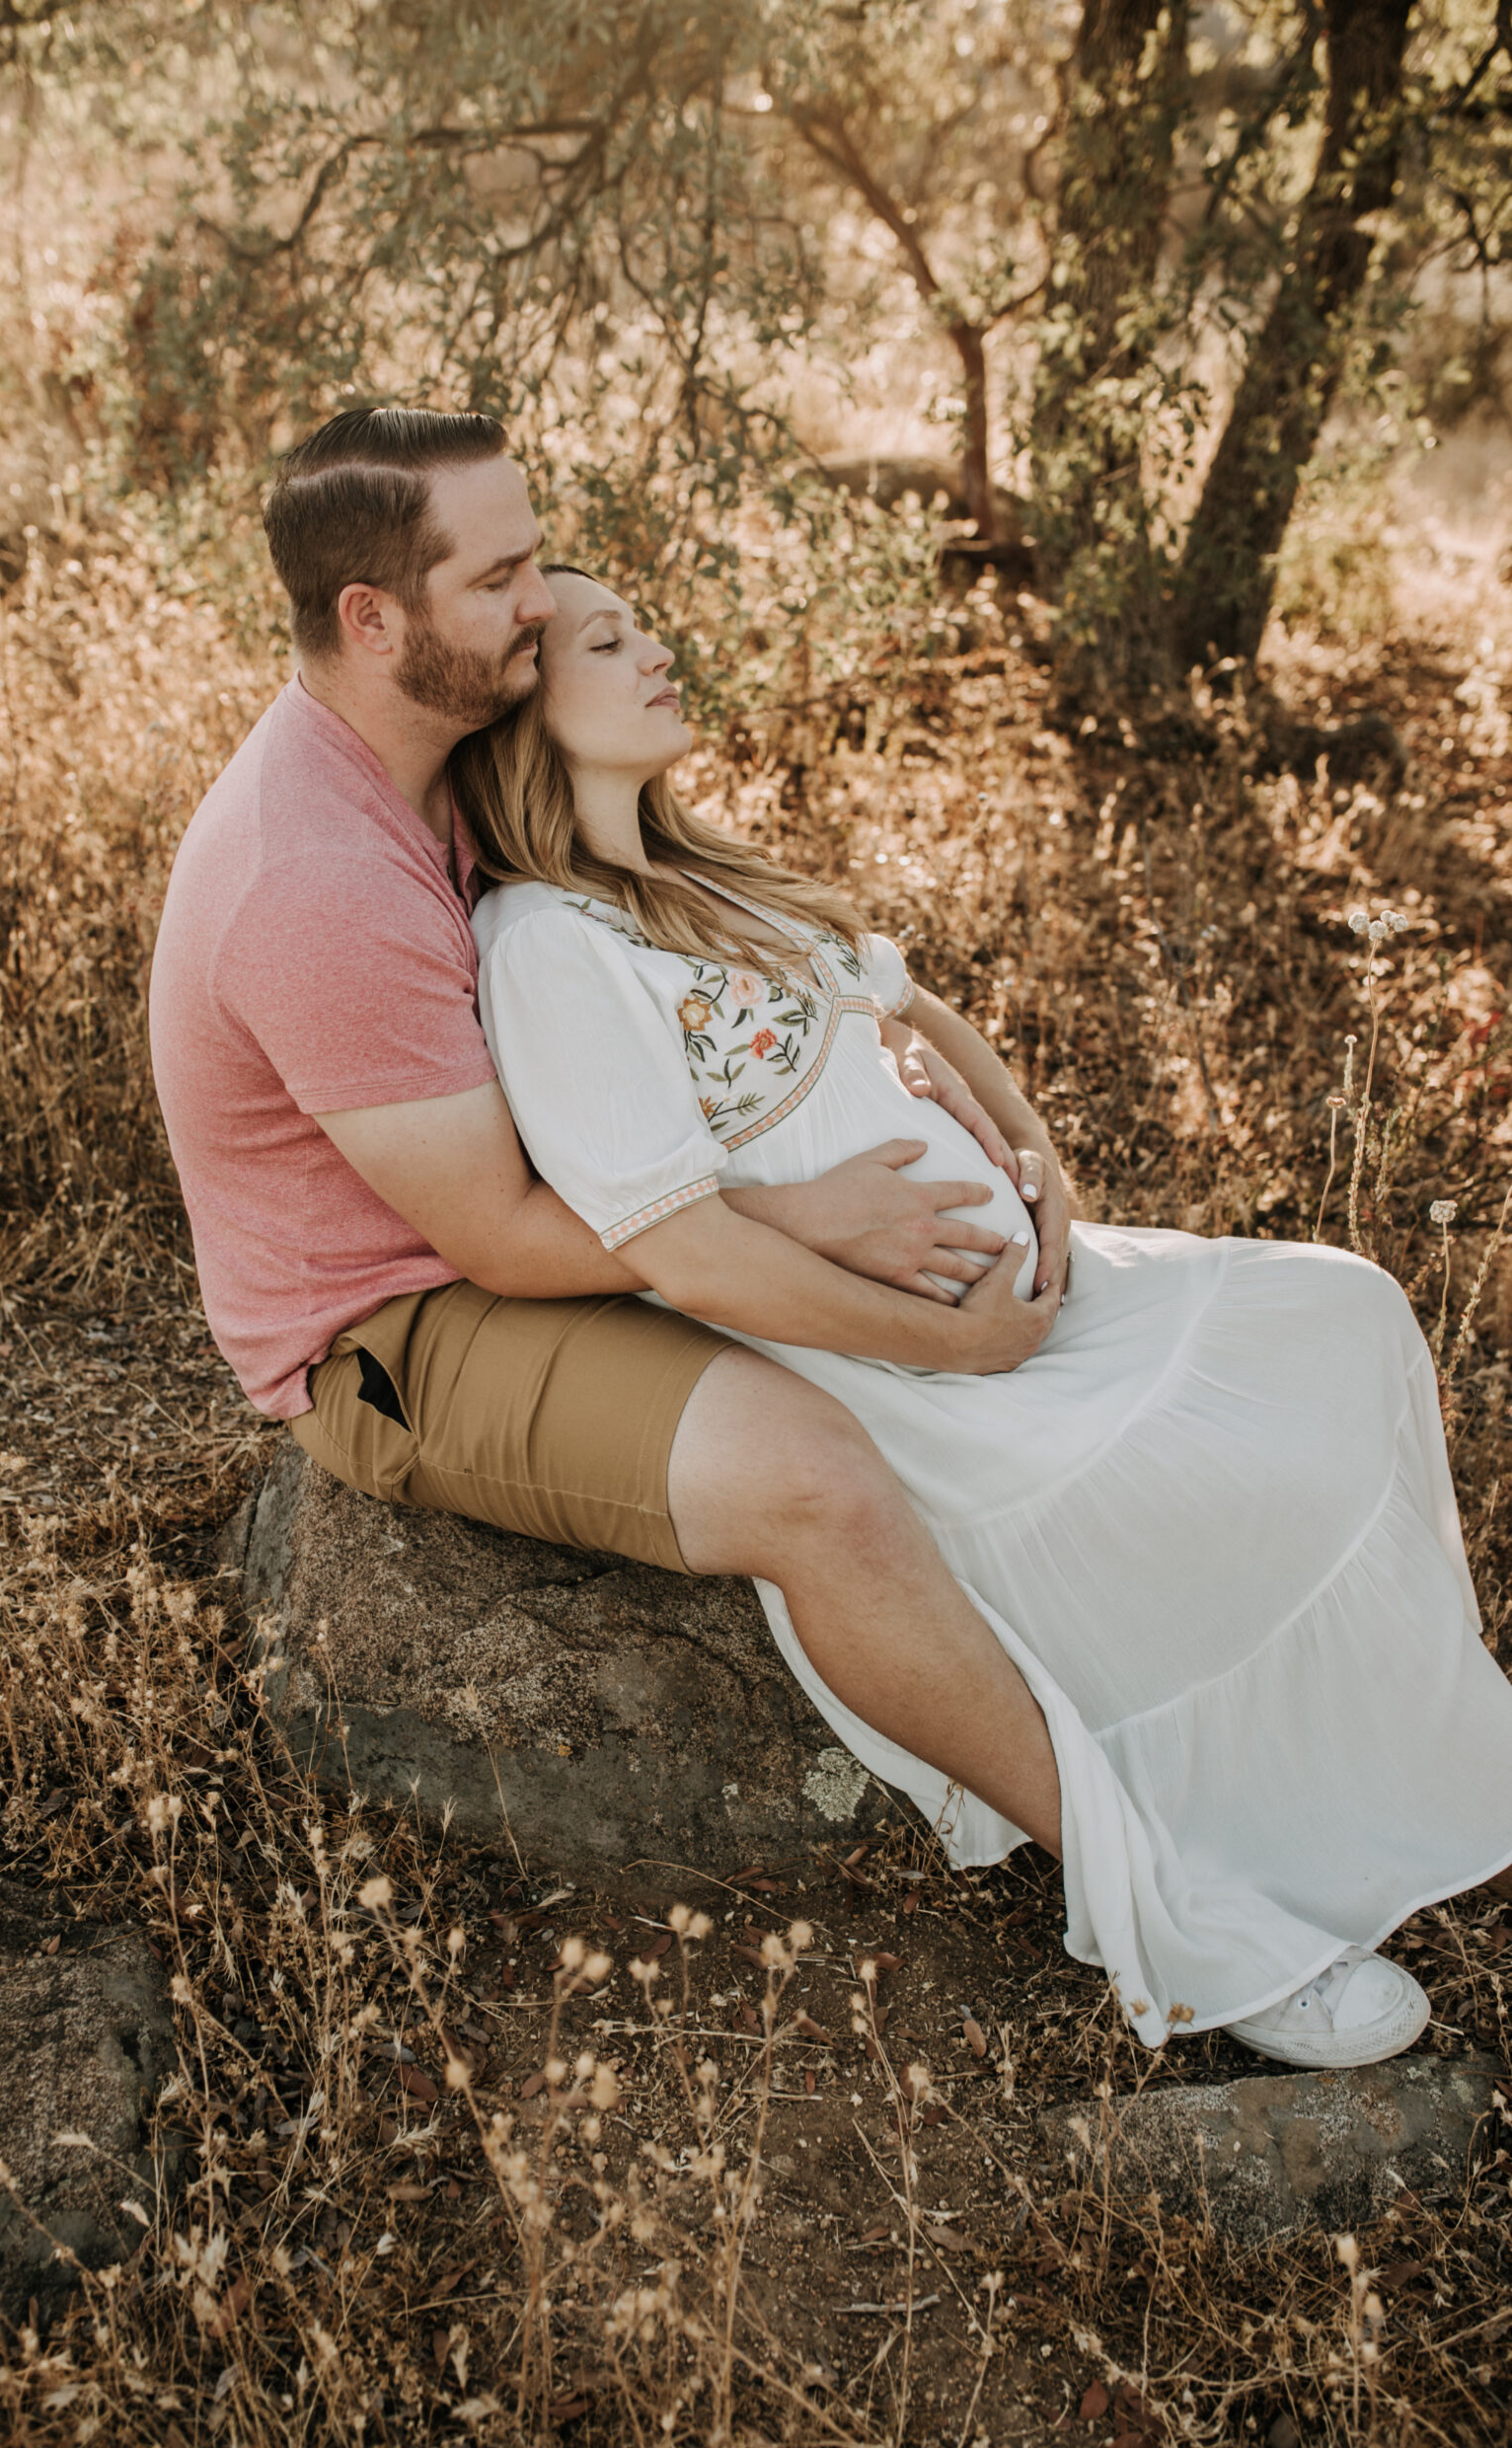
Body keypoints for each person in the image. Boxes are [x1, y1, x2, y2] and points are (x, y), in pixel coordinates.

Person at [449, 561, 1512, 2069]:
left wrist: (1044, 1170)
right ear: (521, 708)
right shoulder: (548, 946)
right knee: (1161, 1507)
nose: (662, 650)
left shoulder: (707, 877)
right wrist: (955, 1340)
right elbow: (681, 1252)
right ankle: (1206, 1912)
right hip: (917, 1375)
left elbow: (918, 1016)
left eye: (651, 624)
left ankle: (1367, 1766)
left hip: (1035, 1300)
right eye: (608, 642)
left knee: (1342, 1314)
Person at [147, 406, 1070, 1968]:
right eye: (502, 573)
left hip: (555, 1212)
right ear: (374, 619)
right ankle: (1130, 1860)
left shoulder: (435, 748)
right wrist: (798, 1218)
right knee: (819, 1476)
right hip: (397, 1327)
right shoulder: (313, 881)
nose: (539, 601)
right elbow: (496, 1230)